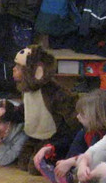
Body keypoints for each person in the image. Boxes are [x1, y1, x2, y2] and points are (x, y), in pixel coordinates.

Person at [12, 45, 78, 174]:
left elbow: (70, 112)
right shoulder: (26, 89)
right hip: (34, 135)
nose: (14, 69)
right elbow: (25, 111)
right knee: (23, 163)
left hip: (51, 136)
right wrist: (8, 111)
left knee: (35, 167)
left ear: (35, 71)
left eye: (19, 67)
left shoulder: (52, 91)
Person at [34, 89, 106, 183]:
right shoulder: (87, 129)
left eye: (82, 114)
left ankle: (70, 178)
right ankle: (66, 175)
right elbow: (68, 139)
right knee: (77, 137)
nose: (77, 117)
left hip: (101, 171)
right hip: (82, 162)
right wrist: (50, 148)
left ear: (95, 117)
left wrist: (71, 162)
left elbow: (94, 156)